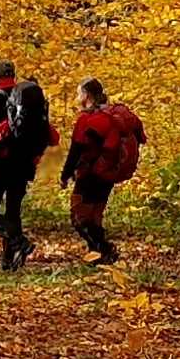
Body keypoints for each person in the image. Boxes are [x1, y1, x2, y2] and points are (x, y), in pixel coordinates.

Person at [0, 62, 52, 269]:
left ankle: (18, 242)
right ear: (14, 75)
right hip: (24, 164)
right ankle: (9, 262)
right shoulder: (29, 99)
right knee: (13, 211)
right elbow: (50, 133)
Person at [60, 78, 144, 265]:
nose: (77, 97)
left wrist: (65, 176)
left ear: (87, 96)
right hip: (108, 173)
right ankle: (97, 255)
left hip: (90, 174)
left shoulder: (87, 120)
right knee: (95, 216)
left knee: (78, 217)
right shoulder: (112, 114)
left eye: (79, 93)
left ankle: (105, 250)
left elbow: (76, 151)